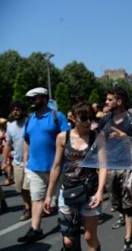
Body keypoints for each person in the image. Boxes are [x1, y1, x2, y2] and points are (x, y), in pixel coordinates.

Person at [43, 102, 107, 251]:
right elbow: (57, 166)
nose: (87, 121)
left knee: (89, 237)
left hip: (91, 192)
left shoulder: (97, 136)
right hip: (68, 191)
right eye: (83, 117)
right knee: (68, 241)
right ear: (73, 117)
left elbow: (103, 166)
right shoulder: (62, 137)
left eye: (90, 117)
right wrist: (49, 195)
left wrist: (100, 192)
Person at [18, 87, 70, 243]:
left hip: (57, 167)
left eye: (35, 98)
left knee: (62, 199)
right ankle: (36, 229)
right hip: (35, 168)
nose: (31, 101)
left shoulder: (57, 116)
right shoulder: (30, 119)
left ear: (45, 98)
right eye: (30, 99)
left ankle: (68, 224)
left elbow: (68, 139)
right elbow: (26, 140)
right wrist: (26, 161)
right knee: (37, 198)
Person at [99, 86, 132, 251]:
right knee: (116, 202)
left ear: (119, 101)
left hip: (128, 167)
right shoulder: (105, 120)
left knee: (128, 203)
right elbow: (99, 144)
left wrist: (125, 138)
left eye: (109, 99)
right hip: (111, 168)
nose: (106, 102)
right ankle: (127, 217)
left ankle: (128, 238)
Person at [2, 101, 31, 220]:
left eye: (18, 109)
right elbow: (8, 145)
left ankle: (35, 207)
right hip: (18, 162)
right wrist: (4, 161)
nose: (16, 111)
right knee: (21, 188)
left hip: (32, 161)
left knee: (32, 187)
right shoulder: (10, 126)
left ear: (23, 110)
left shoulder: (30, 123)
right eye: (13, 109)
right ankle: (28, 207)